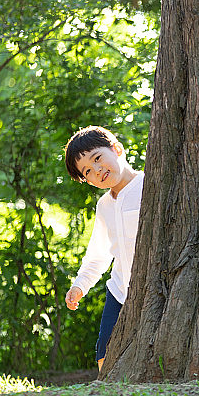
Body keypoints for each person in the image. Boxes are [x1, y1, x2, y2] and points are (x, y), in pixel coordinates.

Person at [62, 126, 143, 371]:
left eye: (97, 158)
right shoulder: (104, 206)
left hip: (152, 290)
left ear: (116, 149)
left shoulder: (147, 185)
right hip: (119, 291)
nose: (97, 170)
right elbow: (98, 254)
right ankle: (106, 389)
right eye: (88, 171)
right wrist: (80, 285)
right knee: (105, 353)